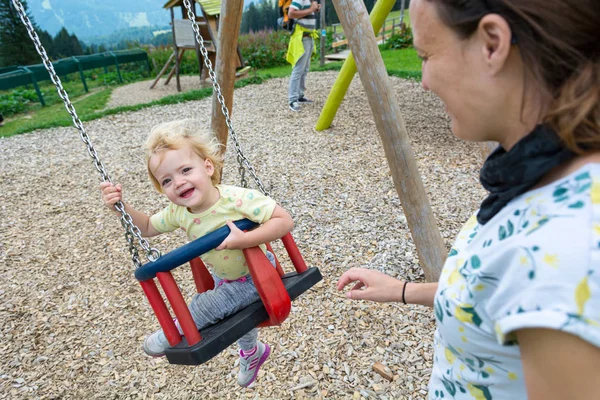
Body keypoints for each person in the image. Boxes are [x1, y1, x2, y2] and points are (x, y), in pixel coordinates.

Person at [337, 0, 600, 399]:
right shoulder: (549, 176)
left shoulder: (562, 249)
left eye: (425, 55)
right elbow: (494, 289)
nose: (423, 80)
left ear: (492, 43)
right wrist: (402, 289)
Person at [100, 119, 294, 387]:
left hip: (257, 274)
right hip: (225, 277)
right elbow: (145, 226)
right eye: (167, 180)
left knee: (207, 305)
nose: (178, 183)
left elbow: (284, 221)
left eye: (185, 170)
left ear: (208, 166)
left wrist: (245, 238)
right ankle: (252, 352)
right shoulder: (179, 212)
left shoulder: (236, 199)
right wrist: (122, 207)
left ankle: (173, 332)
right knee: (238, 313)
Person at [286, 0, 321, 112]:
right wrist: (311, 9)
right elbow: (291, 13)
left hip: (309, 36)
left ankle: (300, 96)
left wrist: (314, 9)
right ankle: (292, 100)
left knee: (304, 69)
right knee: (298, 69)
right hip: (302, 38)